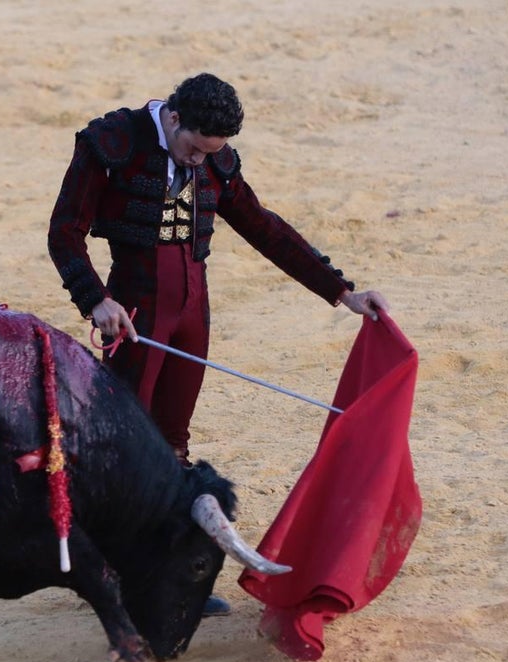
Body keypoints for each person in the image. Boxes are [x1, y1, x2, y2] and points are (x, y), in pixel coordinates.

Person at [47, 72, 389, 617]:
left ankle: (167, 574)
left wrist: (341, 290)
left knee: (174, 441)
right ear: (174, 118)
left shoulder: (213, 161)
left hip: (191, 311)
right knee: (125, 440)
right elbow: (63, 232)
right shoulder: (115, 143)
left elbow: (264, 228)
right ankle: (110, 572)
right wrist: (96, 301)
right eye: (193, 150)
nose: (198, 163)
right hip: (135, 308)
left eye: (211, 154)